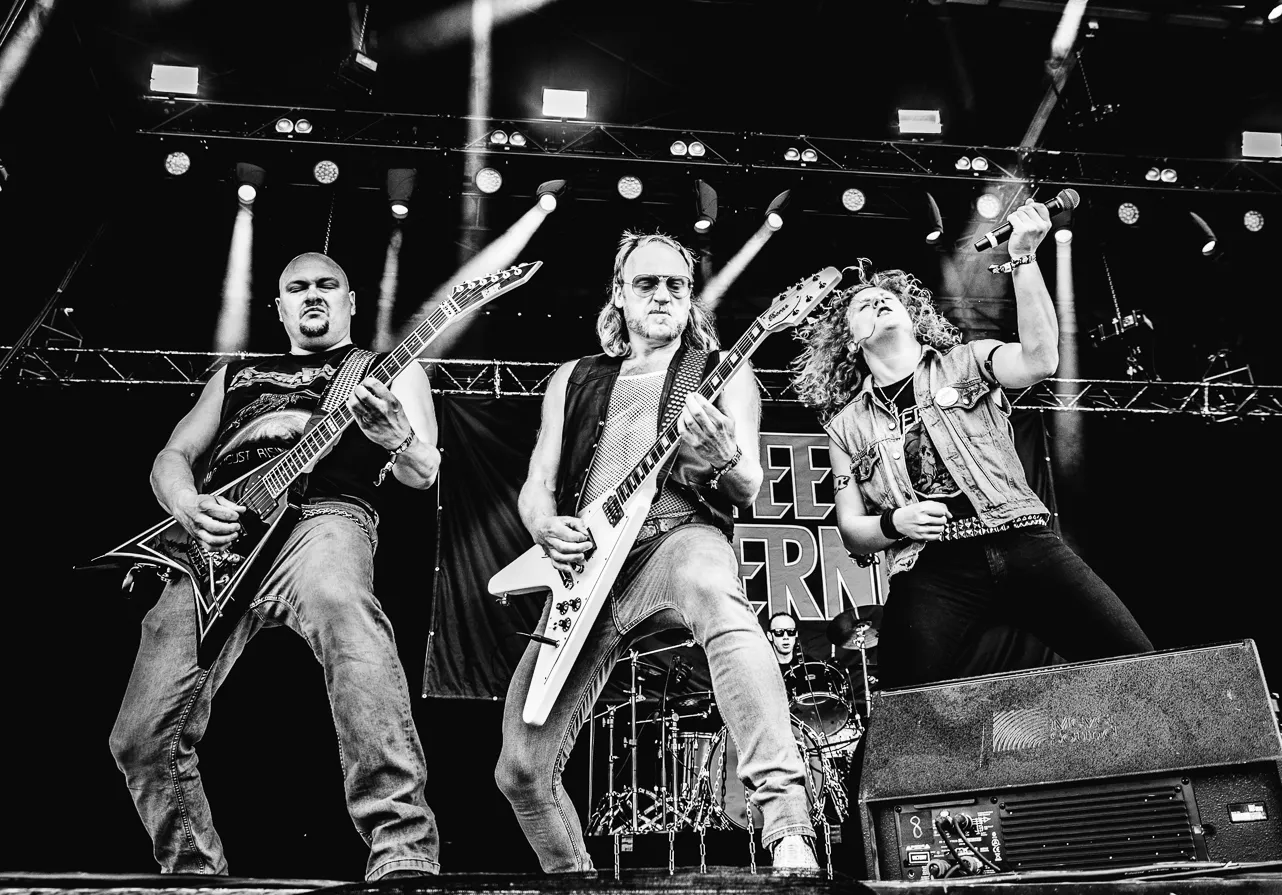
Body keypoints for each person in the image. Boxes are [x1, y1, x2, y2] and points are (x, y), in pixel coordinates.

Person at [109, 253, 441, 879]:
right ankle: (193, 875)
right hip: (219, 542)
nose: (313, 294)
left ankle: (402, 848)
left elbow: (422, 473)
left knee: (345, 611)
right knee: (140, 734)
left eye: (327, 285)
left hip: (322, 516)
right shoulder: (234, 374)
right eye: (298, 287)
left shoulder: (387, 371)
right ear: (280, 307)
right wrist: (187, 505)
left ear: (351, 301)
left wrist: (397, 437)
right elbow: (172, 456)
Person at [495, 231, 819, 871]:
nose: (663, 295)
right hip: (587, 569)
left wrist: (723, 457)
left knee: (717, 596)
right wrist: (545, 526)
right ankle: (575, 884)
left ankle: (787, 827)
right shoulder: (573, 378)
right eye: (647, 283)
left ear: (691, 297)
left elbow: (747, 485)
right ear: (619, 294)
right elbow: (537, 484)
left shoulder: (722, 370)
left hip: (676, 536)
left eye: (677, 284)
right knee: (520, 769)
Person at [791, 202, 1153, 688]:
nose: (877, 302)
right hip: (932, 565)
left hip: (1019, 538)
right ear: (850, 340)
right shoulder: (846, 426)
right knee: (905, 708)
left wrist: (1023, 258)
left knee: (1138, 667)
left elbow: (1041, 360)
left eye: (886, 298)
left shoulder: (969, 361)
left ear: (913, 317)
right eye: (863, 305)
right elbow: (852, 530)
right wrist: (895, 522)